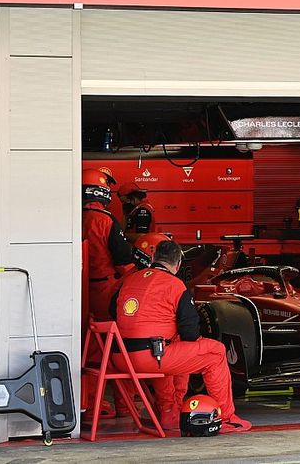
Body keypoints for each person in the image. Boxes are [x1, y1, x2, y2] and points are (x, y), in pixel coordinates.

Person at [112, 239, 251, 433]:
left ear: (154, 259)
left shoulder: (130, 279)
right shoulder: (175, 285)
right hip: (150, 357)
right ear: (178, 264)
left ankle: (169, 411)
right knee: (216, 352)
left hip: (119, 357)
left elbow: (112, 311)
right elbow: (191, 333)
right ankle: (226, 418)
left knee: (170, 344)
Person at [82, 168, 135, 323]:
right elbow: (123, 262)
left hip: (76, 288)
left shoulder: (71, 217)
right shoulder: (106, 220)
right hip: (104, 290)